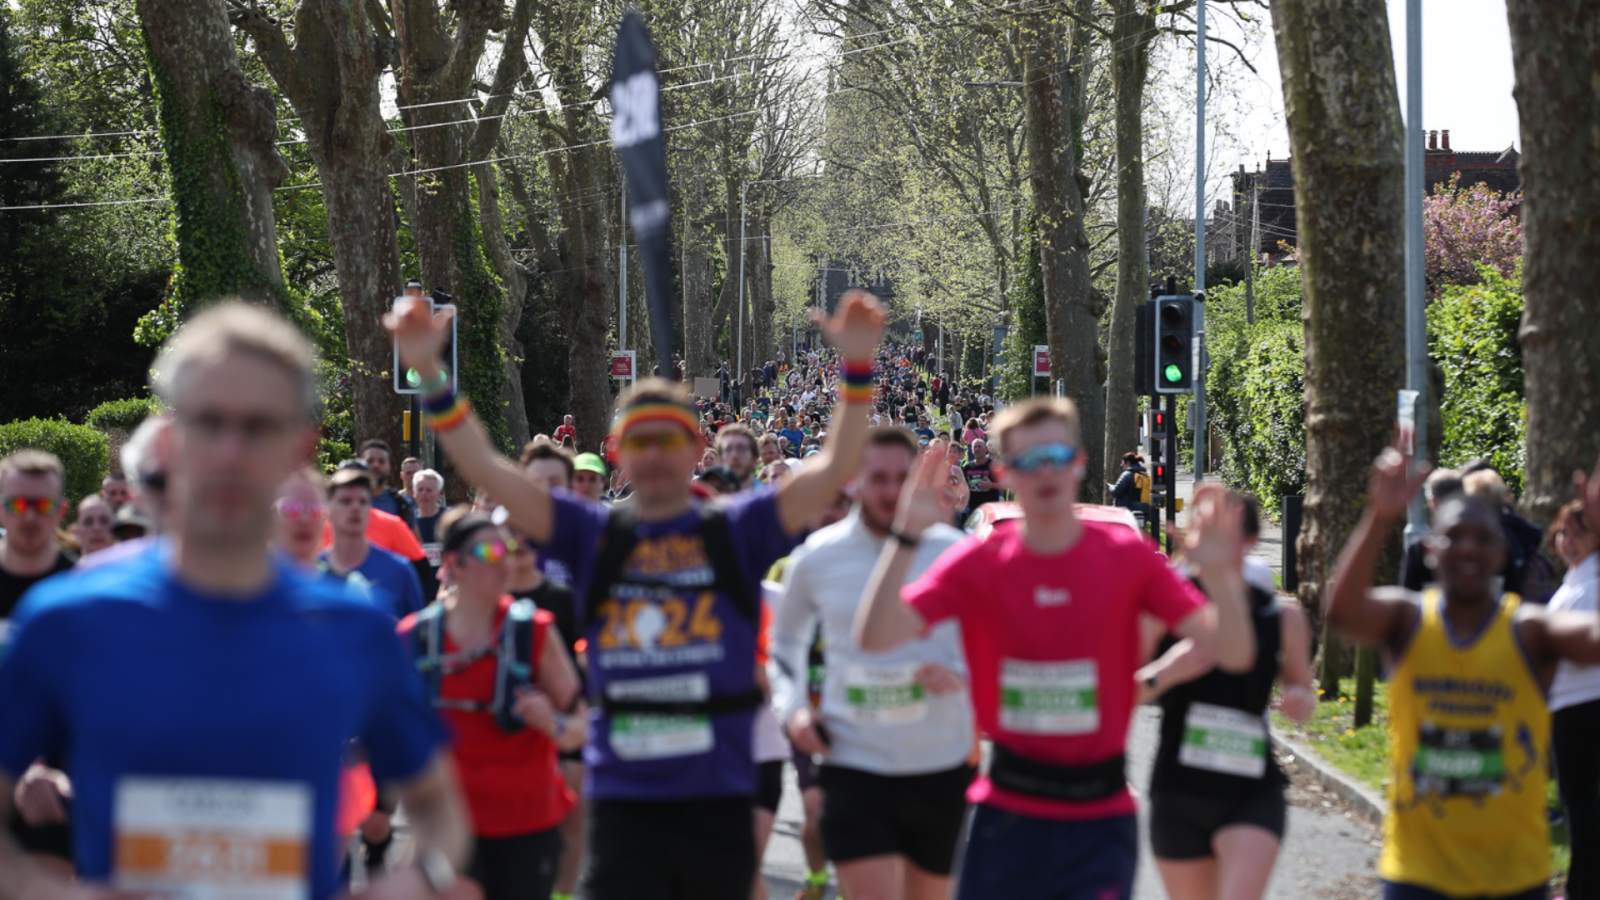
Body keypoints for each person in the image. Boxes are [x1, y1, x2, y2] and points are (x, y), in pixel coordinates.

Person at [388, 287, 887, 900]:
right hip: (622, 801)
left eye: (669, 440)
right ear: (619, 452)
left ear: (697, 450)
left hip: (717, 797)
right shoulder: (590, 532)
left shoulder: (738, 528)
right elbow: (487, 469)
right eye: (640, 441)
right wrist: (429, 371)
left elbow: (836, 466)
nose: (654, 455)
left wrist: (857, 365)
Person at [0, 302, 472, 900]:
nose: (229, 451)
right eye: (209, 421)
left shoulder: (353, 630)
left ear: (299, 447)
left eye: (257, 427)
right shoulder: (66, 621)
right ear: (173, 439)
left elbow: (438, 807)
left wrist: (417, 881)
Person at [854, 397, 1253, 900]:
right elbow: (874, 636)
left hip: (1100, 818)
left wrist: (1222, 575)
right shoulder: (981, 561)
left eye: (1057, 458)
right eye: (1028, 461)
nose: (1045, 473)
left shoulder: (1126, 556)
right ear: (1004, 473)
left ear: (1078, 464)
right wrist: (904, 537)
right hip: (1006, 813)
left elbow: (1235, 653)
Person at [1327, 440, 1600, 900]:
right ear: (1430, 550)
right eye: (1454, 537)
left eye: (1482, 538)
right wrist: (1379, 516)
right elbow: (1343, 614)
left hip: (1514, 877)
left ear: (1501, 552)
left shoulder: (1531, 630)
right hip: (1418, 875)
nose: (1468, 548)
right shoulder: (1407, 620)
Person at [773, 428, 975, 900]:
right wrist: (794, 709)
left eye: (900, 478)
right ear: (852, 481)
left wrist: (962, 675)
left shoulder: (955, 553)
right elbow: (784, 646)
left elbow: (999, 642)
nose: (888, 489)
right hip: (853, 762)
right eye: (877, 477)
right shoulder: (817, 558)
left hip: (939, 763)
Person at [399, 508, 586, 900]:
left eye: (510, 550)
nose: (506, 562)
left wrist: (552, 722)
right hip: (447, 826)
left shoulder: (534, 632)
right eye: (491, 553)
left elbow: (581, 729)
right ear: (455, 565)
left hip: (526, 826)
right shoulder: (415, 637)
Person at [1137, 498, 1316, 900]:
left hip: (1251, 790)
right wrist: (1166, 673)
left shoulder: (1281, 617)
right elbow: (1119, 695)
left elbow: (1300, 687)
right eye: (1201, 529)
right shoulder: (1162, 612)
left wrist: (1300, 698)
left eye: (1222, 531)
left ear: (1249, 541)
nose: (1208, 541)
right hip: (1178, 790)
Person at [0, 451, 78, 877]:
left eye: (42, 505)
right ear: (1, 508)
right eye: (17, 504)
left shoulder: (84, 594)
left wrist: (44, 768)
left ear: (61, 511)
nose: (29, 517)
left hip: (59, 780)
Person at [1549, 497, 1600, 900]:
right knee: (1580, 805)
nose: (1568, 541)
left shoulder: (1590, 585)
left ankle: (1582, 888)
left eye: (1578, 533)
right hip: (1571, 705)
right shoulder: (1577, 579)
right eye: (1563, 533)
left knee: (1581, 805)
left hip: (1582, 707)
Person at [322, 465, 428, 620]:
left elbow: (417, 635)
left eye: (362, 502)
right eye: (346, 501)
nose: (355, 508)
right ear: (328, 509)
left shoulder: (400, 571)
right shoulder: (310, 572)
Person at [361, 438, 419, 531]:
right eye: (370, 461)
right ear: (360, 465)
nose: (376, 465)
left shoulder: (402, 505)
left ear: (389, 468)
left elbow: (415, 543)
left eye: (381, 461)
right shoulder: (344, 502)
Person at [414, 468, 446, 602]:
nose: (423, 494)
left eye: (428, 490)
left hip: (443, 595)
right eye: (420, 490)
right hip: (416, 594)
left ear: (438, 493)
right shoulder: (406, 521)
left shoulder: (449, 519)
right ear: (414, 493)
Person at [961, 439, 1001, 517]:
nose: (977, 449)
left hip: (991, 510)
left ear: (986, 448)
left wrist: (991, 485)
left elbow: (1006, 485)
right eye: (975, 447)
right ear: (972, 450)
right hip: (973, 510)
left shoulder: (994, 466)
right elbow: (962, 488)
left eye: (979, 447)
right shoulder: (967, 467)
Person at [70, 495, 116, 560]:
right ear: (75, 531)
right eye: (88, 522)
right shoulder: (64, 570)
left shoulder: (132, 568)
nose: (97, 528)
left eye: (104, 521)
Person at [717, 423, 760, 492]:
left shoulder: (775, 500)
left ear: (754, 460)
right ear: (719, 461)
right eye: (728, 449)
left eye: (741, 449)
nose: (734, 455)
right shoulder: (708, 500)